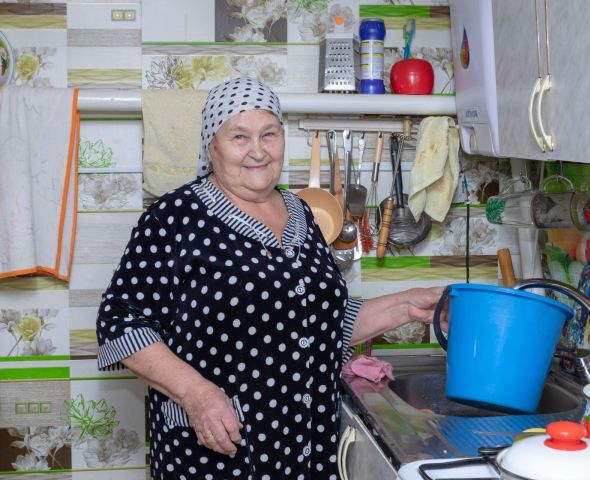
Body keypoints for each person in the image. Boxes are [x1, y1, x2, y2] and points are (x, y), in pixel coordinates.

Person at [96, 77, 446, 480]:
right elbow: (119, 322)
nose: (258, 151)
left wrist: (409, 305)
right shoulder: (174, 218)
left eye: (270, 134)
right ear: (212, 146)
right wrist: (197, 395)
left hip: (307, 447)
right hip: (219, 450)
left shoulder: (301, 213)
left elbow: (322, 322)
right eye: (239, 137)